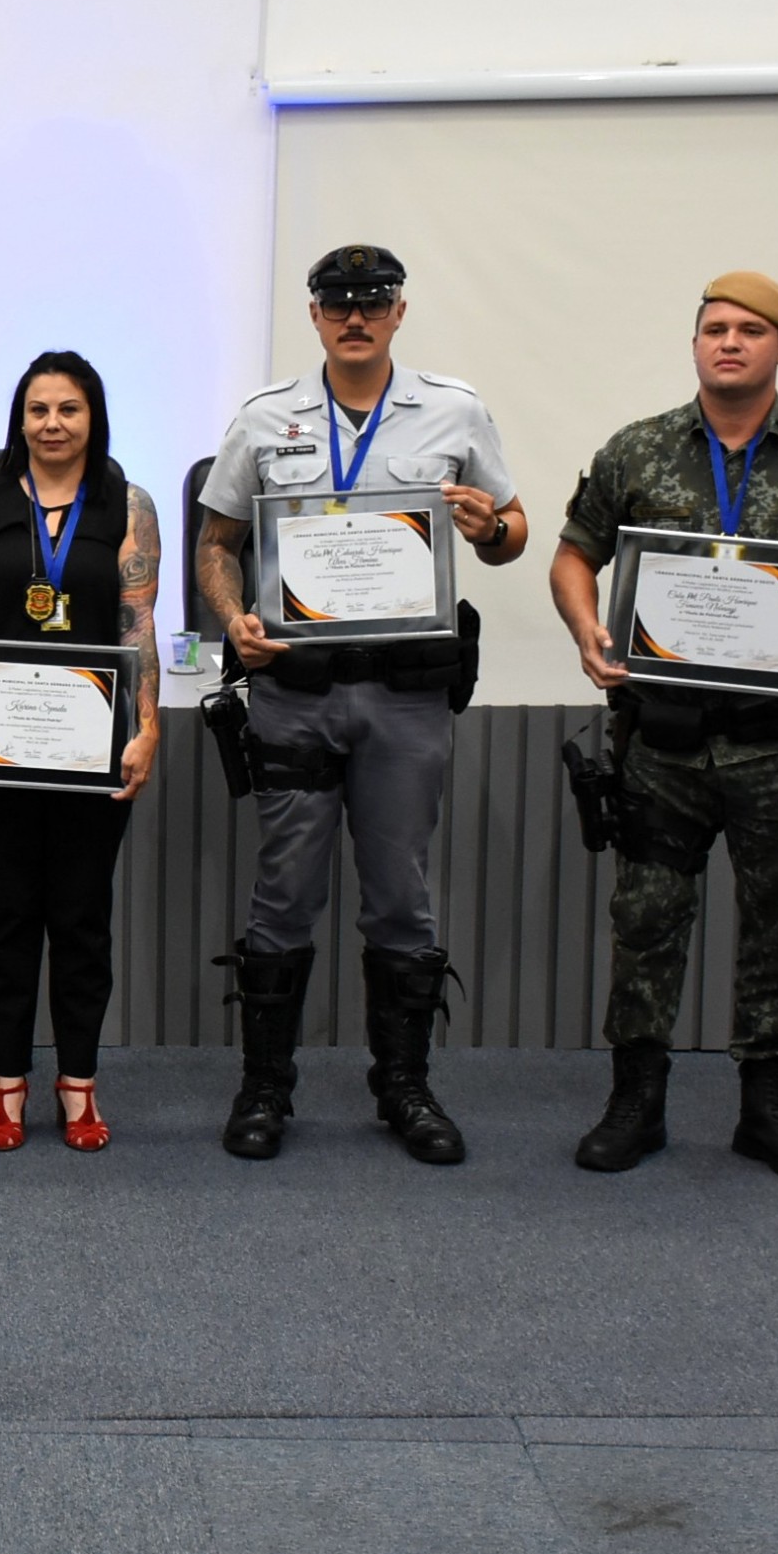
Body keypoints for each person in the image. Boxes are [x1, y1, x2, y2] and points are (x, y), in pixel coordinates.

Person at [552, 272, 778, 1185]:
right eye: (714, 328)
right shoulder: (638, 450)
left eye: (752, 330)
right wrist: (589, 631)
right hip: (663, 740)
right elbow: (572, 556)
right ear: (696, 343)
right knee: (646, 922)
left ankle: (770, 1107)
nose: (729, 343)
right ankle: (636, 1102)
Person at [194, 245, 528, 1164]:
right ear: (313, 315)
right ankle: (266, 1089)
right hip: (294, 694)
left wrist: (488, 527)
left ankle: (406, 1088)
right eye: (337, 303)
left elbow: (513, 530)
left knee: (401, 898)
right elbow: (216, 542)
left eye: (372, 303)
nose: (354, 317)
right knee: (283, 895)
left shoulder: (453, 409)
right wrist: (236, 619)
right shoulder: (266, 421)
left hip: (404, 697)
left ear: (398, 313)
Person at [0, 351, 160, 1152]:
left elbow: (137, 623)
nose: (52, 424)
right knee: (9, 919)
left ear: (94, 417)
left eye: (68, 409)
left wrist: (148, 724)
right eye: (37, 410)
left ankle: (80, 1087)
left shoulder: (128, 505)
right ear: (19, 419)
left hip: (93, 745)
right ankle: (8, 1087)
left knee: (83, 920)